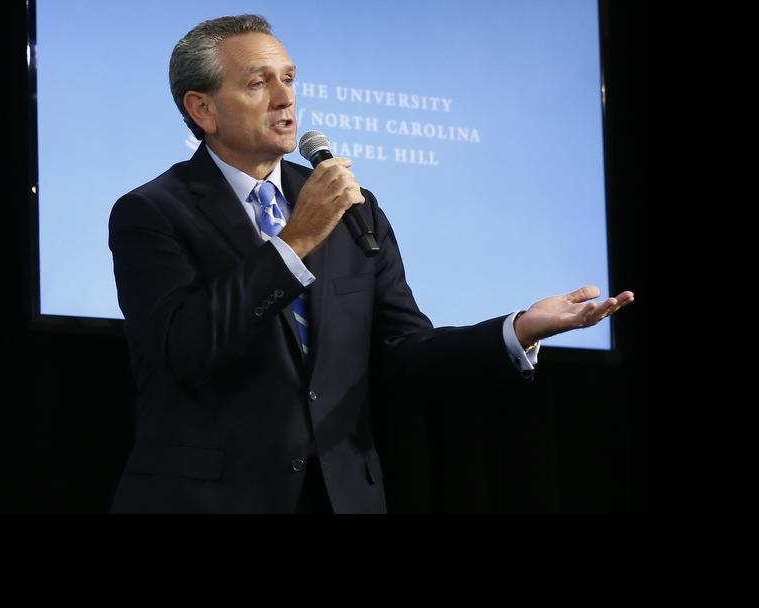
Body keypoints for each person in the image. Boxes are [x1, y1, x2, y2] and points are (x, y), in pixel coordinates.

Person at [107, 15, 634, 513]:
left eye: (289, 79)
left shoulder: (355, 209)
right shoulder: (152, 213)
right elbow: (186, 348)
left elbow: (404, 351)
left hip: (341, 497)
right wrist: (296, 241)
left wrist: (516, 329)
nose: (286, 98)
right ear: (203, 109)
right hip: (207, 500)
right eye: (257, 84)